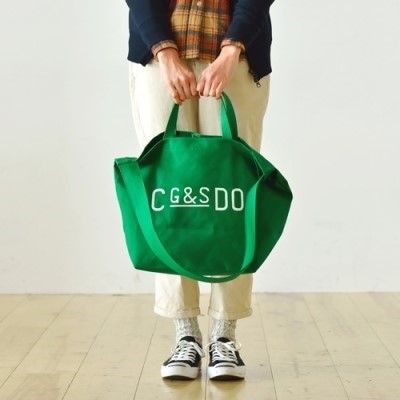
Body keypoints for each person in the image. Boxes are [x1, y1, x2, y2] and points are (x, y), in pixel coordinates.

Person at [125, 0, 275, 380]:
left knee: (233, 196)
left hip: (236, 59)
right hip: (159, 59)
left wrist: (233, 48)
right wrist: (164, 50)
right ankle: (185, 335)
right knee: (169, 197)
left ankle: (225, 335)